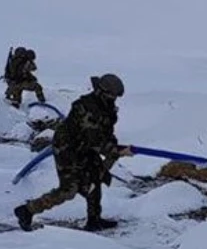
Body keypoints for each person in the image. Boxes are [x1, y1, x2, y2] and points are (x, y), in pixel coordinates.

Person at [14, 73, 132, 231]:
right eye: (112, 95)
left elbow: (105, 133)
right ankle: (27, 210)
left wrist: (115, 147)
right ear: (102, 92)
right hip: (67, 149)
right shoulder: (87, 109)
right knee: (68, 190)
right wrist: (116, 151)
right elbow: (95, 140)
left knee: (95, 180)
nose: (114, 99)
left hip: (85, 148)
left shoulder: (106, 107)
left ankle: (94, 220)